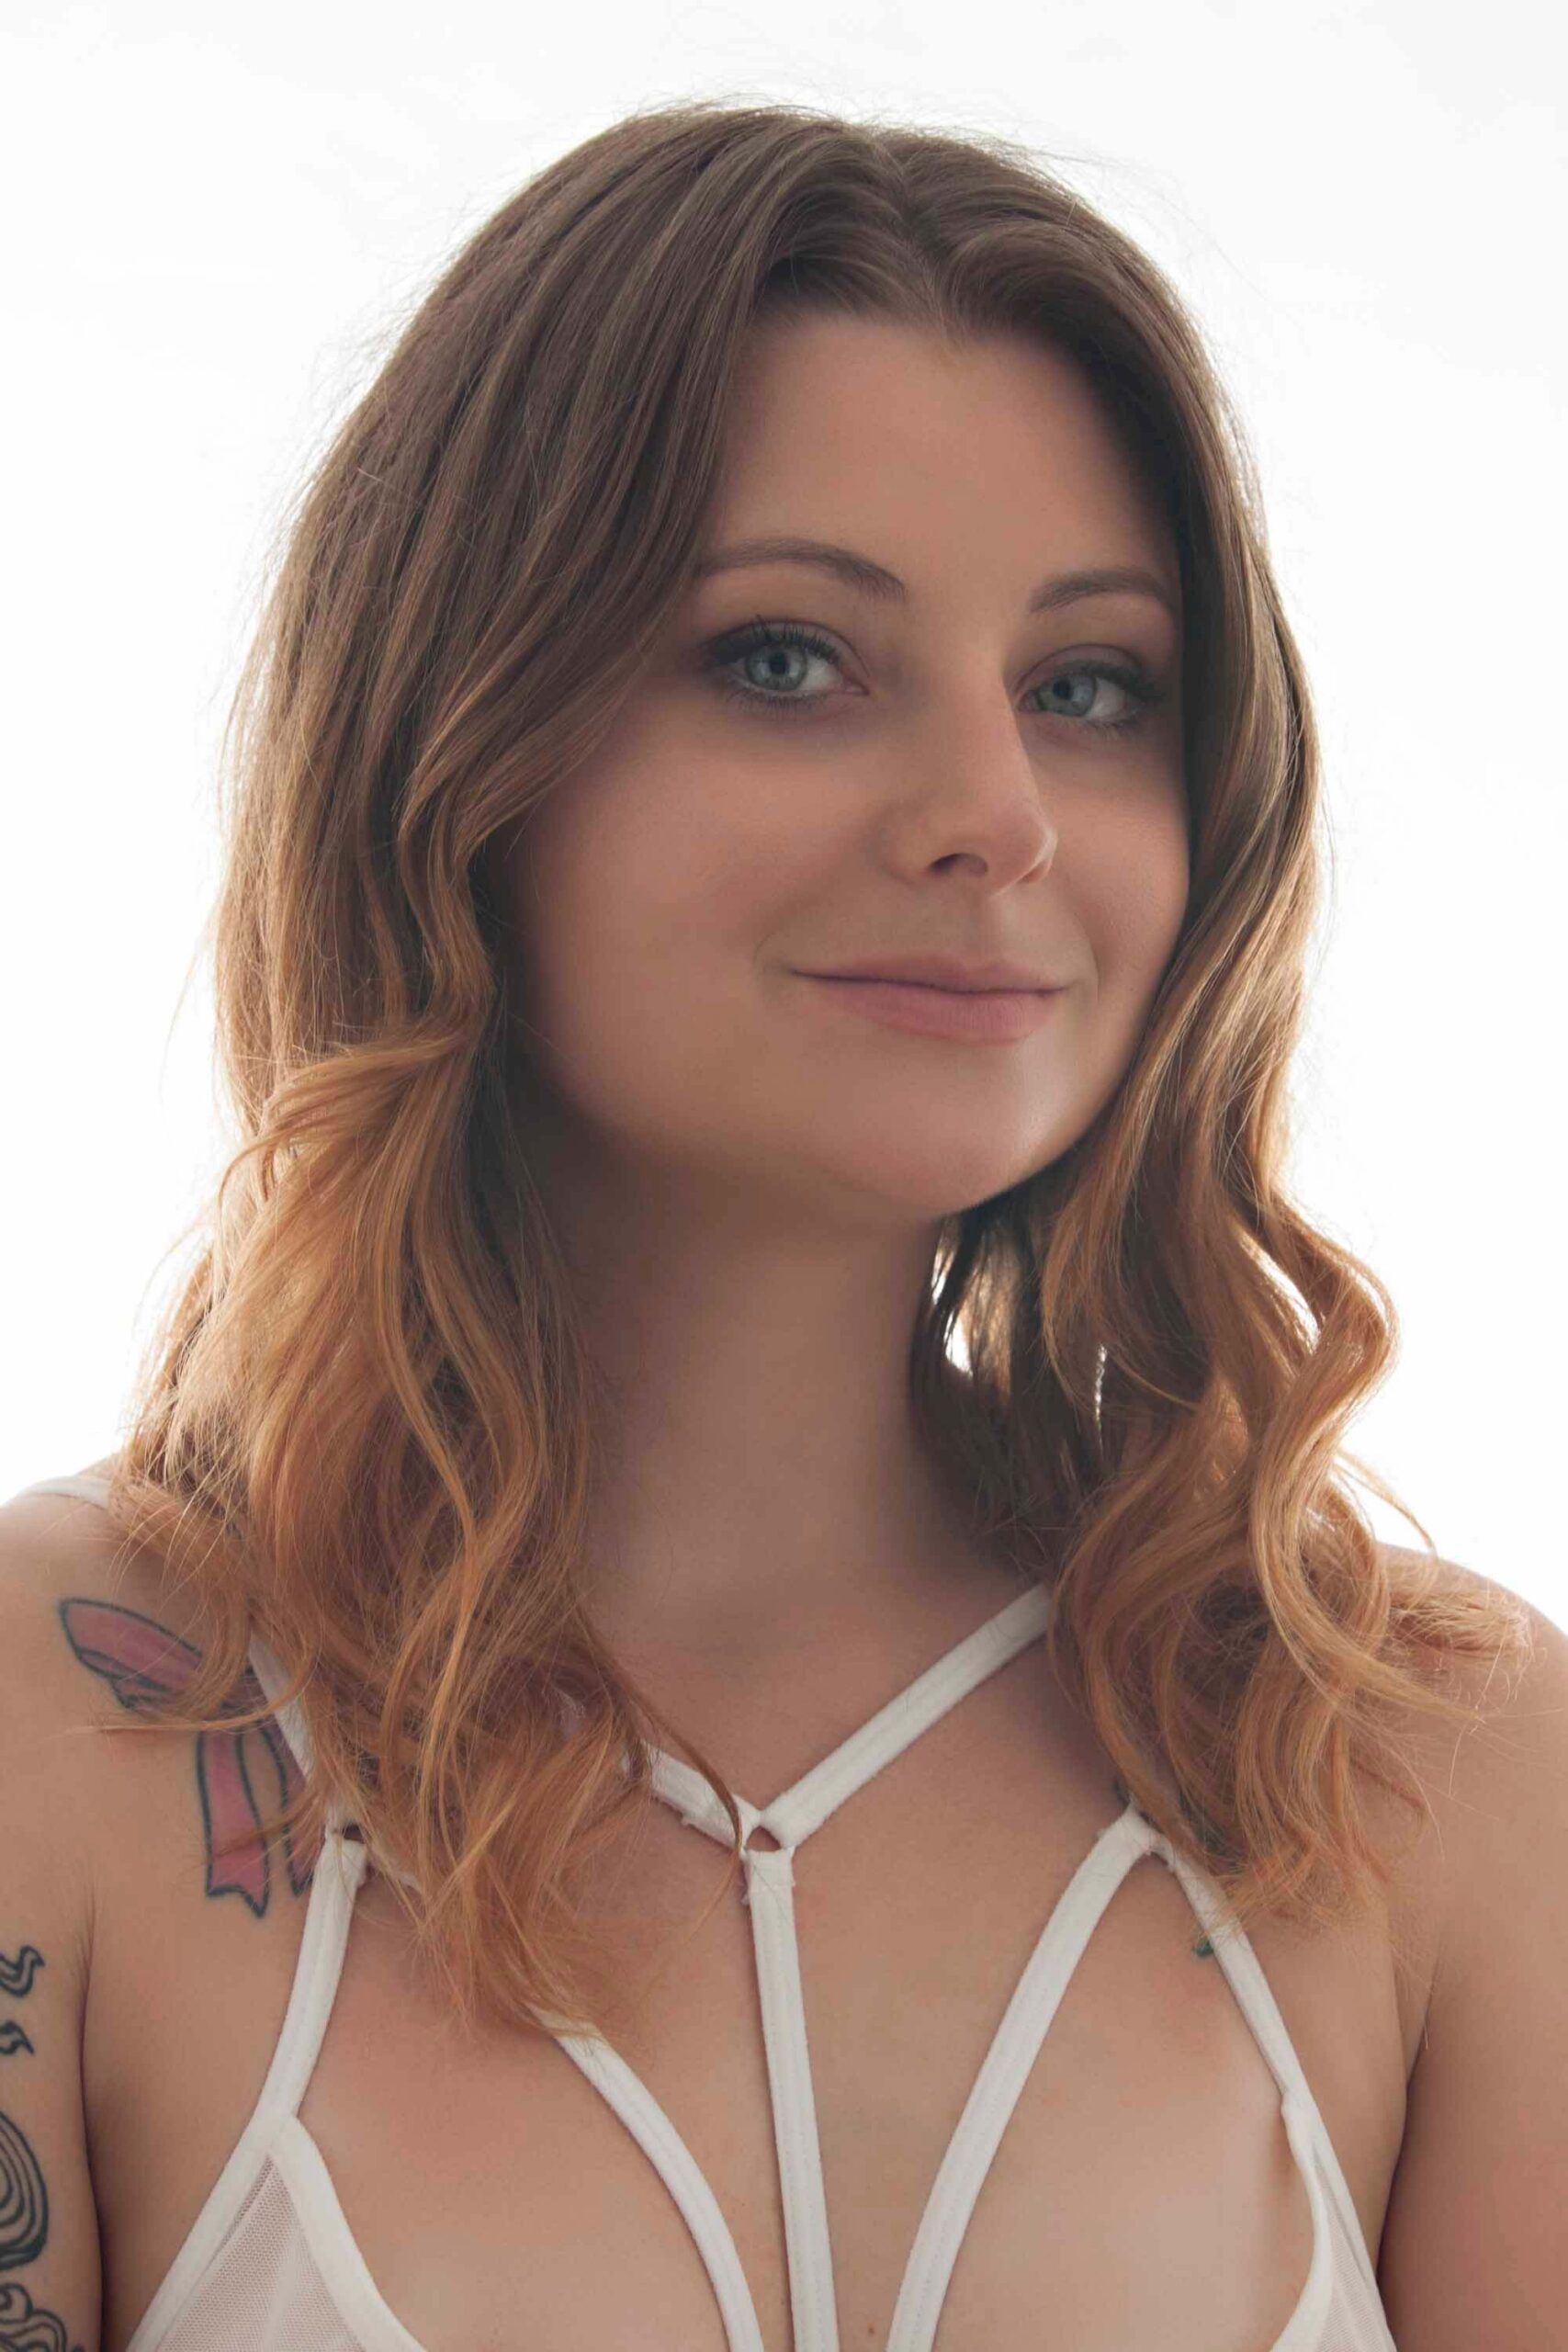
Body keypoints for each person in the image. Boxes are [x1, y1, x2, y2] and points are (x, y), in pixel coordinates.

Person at [3, 98, 1562, 2352]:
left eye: (1087, 687)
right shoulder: (65, 1717)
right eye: (785, 658)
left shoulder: (1420, 1767)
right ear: (457, 751)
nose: (995, 814)